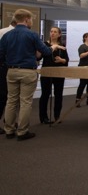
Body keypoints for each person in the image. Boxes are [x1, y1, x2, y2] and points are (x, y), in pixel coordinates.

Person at [0, 9, 64, 141]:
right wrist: (54, 47)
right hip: (27, 71)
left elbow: (1, 55)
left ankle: (9, 130)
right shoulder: (32, 35)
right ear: (26, 19)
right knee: (25, 102)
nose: (32, 22)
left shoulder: (7, 35)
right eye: (31, 20)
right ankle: (22, 132)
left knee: (11, 101)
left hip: (11, 71)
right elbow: (45, 52)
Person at [39, 27, 69, 124]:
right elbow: (40, 57)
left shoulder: (62, 45)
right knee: (45, 94)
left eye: (55, 32)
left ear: (59, 34)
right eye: (51, 31)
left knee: (58, 94)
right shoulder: (44, 45)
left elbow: (66, 60)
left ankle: (57, 116)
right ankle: (43, 117)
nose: (52, 33)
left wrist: (61, 60)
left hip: (59, 73)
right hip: (46, 73)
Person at [0, 18, 17, 135]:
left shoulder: (2, 32)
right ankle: (9, 122)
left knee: (9, 97)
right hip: (6, 67)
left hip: (6, 67)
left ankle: (9, 122)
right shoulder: (5, 33)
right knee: (5, 97)